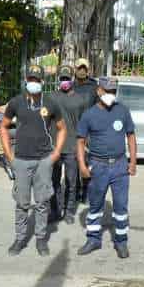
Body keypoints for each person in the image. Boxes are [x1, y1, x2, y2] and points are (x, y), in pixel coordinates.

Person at [0, 65, 67, 257]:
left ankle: (40, 239)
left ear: (42, 82)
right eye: (31, 79)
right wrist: (8, 154)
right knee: (21, 203)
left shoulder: (51, 103)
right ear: (25, 80)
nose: (33, 83)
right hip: (20, 160)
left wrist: (56, 154)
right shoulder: (16, 103)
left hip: (43, 160)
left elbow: (62, 129)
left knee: (43, 202)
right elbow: (3, 127)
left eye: (37, 80)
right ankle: (20, 239)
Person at [76, 77, 138, 259]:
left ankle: (121, 241)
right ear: (98, 91)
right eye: (107, 91)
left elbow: (131, 136)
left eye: (113, 91)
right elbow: (80, 142)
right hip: (98, 165)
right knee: (95, 205)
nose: (111, 95)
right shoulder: (89, 114)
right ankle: (93, 239)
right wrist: (82, 165)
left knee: (120, 205)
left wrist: (132, 162)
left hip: (120, 165)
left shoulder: (123, 111)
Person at [51, 65, 88, 225]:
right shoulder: (51, 97)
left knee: (72, 182)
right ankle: (55, 210)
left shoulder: (80, 100)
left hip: (72, 146)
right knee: (54, 181)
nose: (64, 81)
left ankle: (69, 210)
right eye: (62, 78)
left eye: (67, 78)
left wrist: (84, 145)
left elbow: (84, 124)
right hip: (55, 146)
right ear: (58, 80)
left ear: (72, 79)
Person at [72, 58, 99, 203]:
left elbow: (99, 108)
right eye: (79, 67)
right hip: (73, 130)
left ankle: (86, 193)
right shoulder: (70, 86)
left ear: (88, 70)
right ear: (75, 69)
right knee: (74, 163)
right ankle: (75, 192)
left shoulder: (94, 87)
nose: (81, 70)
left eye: (84, 67)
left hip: (89, 132)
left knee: (88, 162)